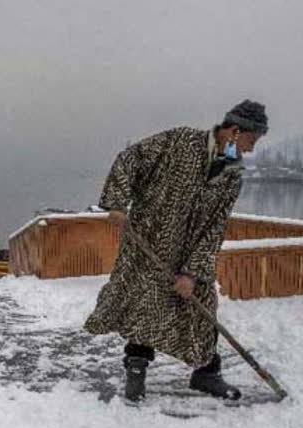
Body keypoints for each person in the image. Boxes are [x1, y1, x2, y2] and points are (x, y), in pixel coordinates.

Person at [84, 100, 268, 402]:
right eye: (251, 140)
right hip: (149, 242)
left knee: (202, 305)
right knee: (144, 303)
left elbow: (214, 228)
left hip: (189, 254)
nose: (249, 149)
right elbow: (131, 159)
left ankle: (206, 373)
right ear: (235, 131)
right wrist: (116, 202)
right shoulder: (180, 142)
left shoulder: (232, 174)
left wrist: (193, 274)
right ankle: (136, 369)